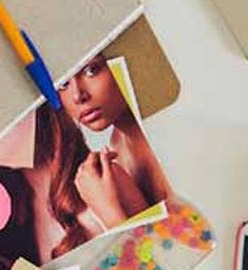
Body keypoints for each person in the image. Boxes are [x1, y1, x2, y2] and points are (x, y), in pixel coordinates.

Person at [59, 54, 172, 227]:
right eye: (63, 83)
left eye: (92, 71)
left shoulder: (169, 139)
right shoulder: (114, 153)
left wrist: (109, 213)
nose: (77, 96)